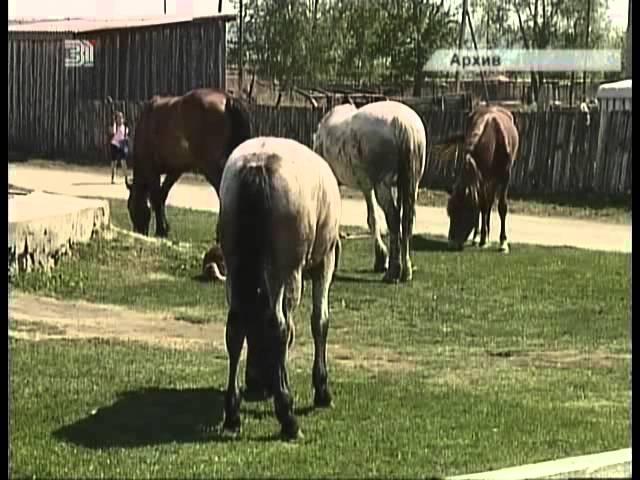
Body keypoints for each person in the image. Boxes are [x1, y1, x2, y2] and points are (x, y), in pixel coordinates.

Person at [109, 111, 129, 184]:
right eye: (118, 118)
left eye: (121, 118)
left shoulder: (125, 127)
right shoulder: (115, 126)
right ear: (116, 119)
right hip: (114, 145)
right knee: (114, 162)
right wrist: (114, 124)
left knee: (123, 162)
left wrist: (125, 145)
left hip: (121, 145)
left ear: (123, 119)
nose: (120, 119)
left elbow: (125, 137)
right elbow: (112, 133)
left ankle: (126, 178)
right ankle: (112, 178)